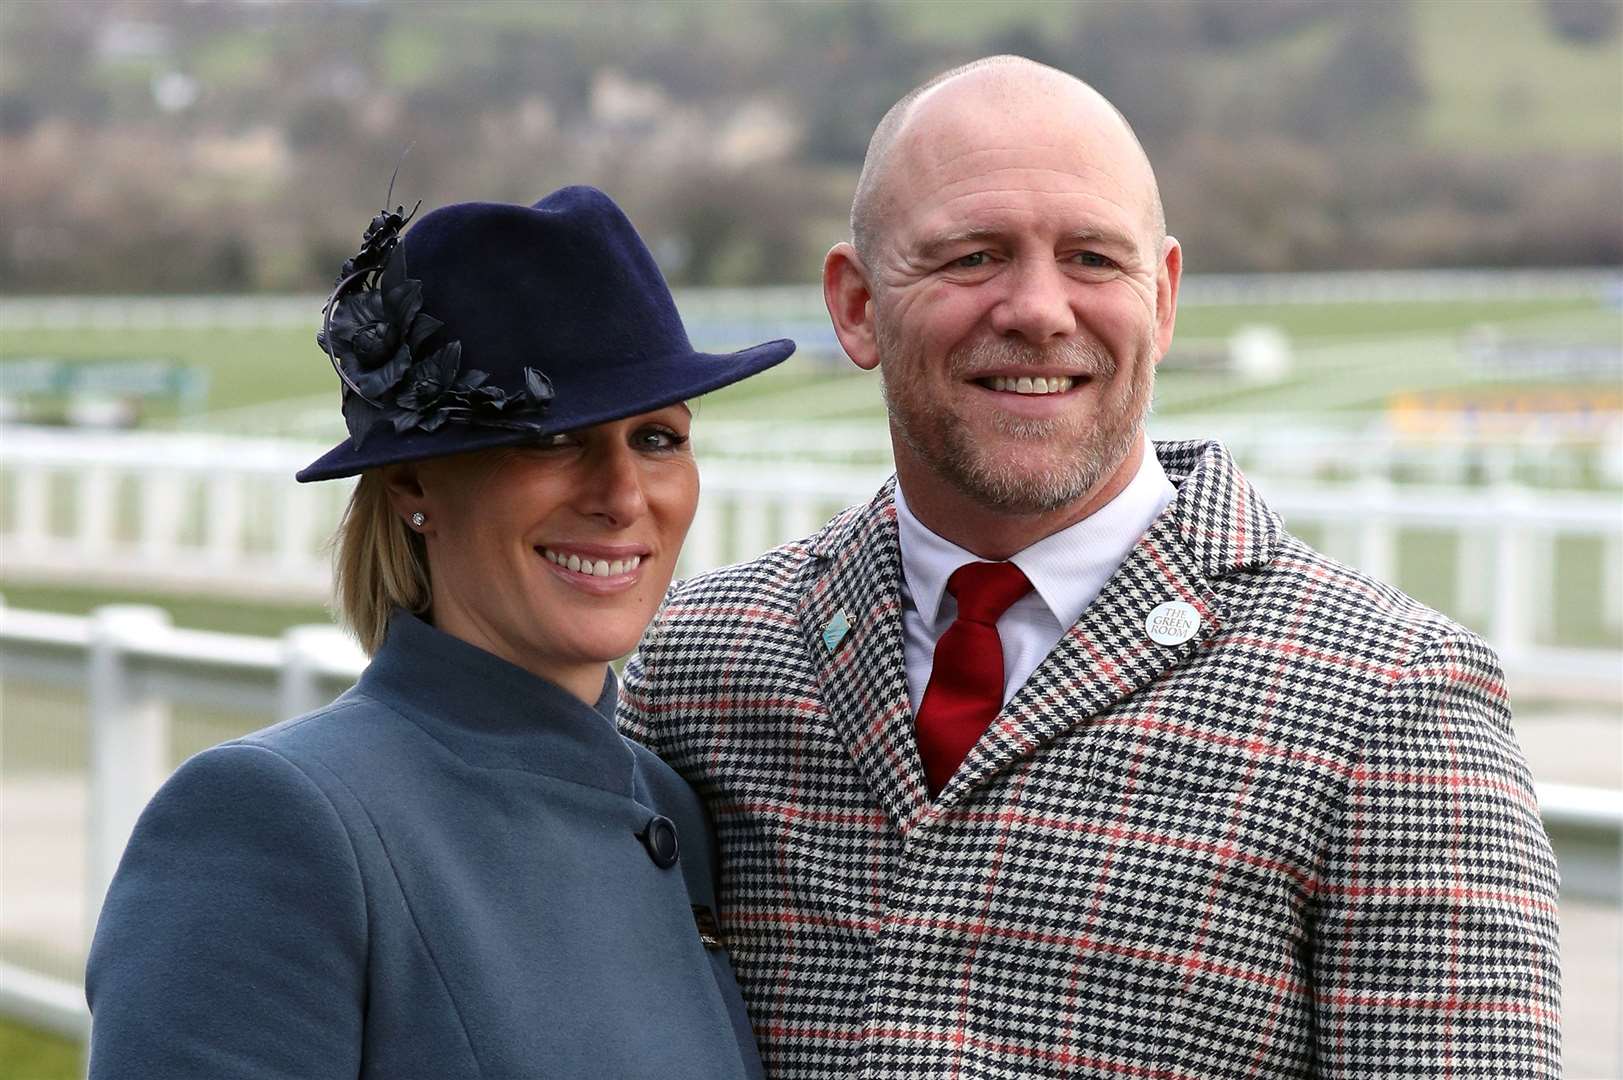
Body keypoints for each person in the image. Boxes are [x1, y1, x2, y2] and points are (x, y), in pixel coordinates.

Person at [619, 56, 1561, 1079]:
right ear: (854, 306)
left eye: (1092, 260)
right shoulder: (694, 664)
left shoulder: (1397, 700)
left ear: (1161, 298)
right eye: (973, 256)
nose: (1038, 309)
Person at [85, 185, 793, 1079]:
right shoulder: (272, 819)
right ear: (413, 484)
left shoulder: (672, 803)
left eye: (656, 439)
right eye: (552, 440)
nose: (621, 497)